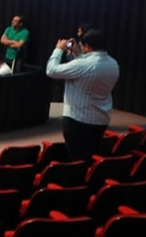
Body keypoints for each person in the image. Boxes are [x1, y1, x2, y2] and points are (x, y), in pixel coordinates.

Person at [46, 29, 119, 161]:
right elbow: (86, 68)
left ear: (87, 46)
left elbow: (51, 70)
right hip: (101, 119)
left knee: (77, 158)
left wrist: (58, 50)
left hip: (78, 120)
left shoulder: (82, 65)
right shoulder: (113, 64)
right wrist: (78, 53)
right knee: (91, 154)